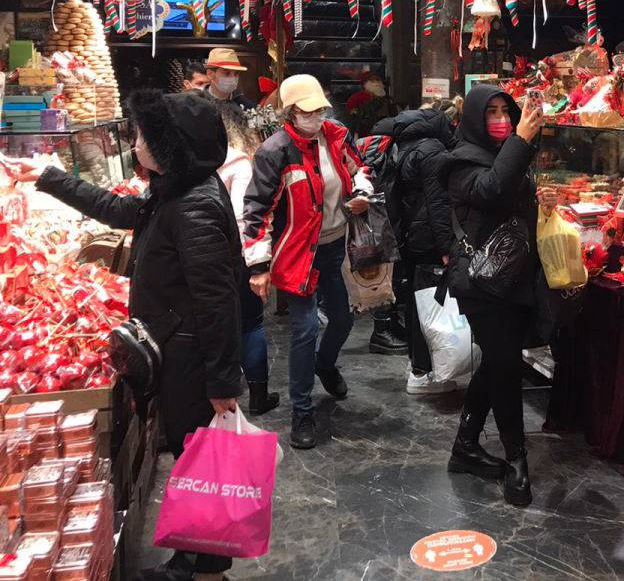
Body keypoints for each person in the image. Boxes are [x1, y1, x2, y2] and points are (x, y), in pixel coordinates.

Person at [14, 91, 243, 581]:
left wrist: (222, 382)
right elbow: (122, 214)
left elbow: (218, 300)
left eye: (143, 136)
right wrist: (48, 178)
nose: (135, 143)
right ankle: (196, 558)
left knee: (197, 458)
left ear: (169, 146)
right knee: (191, 456)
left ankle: (205, 570)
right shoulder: (176, 190)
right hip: (177, 345)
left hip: (190, 356)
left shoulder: (193, 205)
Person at [242, 74, 372, 449]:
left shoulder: (335, 137)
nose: (316, 117)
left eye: (320, 110)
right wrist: (258, 266)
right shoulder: (276, 151)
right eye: (307, 112)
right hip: (300, 253)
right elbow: (257, 212)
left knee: (344, 318)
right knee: (303, 330)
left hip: (335, 245)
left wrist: (360, 192)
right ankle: (301, 411)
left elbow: (358, 169)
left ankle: (325, 365)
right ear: (290, 112)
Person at [444, 84, 544, 507]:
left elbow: (515, 201)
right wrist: (521, 140)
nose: (501, 119)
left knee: (499, 359)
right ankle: (516, 458)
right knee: (505, 367)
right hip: (483, 284)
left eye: (507, 110)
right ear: (473, 118)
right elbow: (491, 189)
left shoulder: (511, 154)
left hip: (517, 277)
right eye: (492, 112)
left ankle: (466, 444)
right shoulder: (459, 161)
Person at [370, 98, 458, 393]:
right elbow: (437, 203)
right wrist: (446, 246)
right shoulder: (433, 150)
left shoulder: (406, 143)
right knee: (428, 303)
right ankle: (423, 373)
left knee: (416, 301)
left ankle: (418, 367)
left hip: (409, 232)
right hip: (427, 237)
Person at [214, 102, 280, 416]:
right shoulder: (238, 162)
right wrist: (257, 264)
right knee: (251, 324)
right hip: (235, 255)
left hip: (202, 258)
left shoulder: (189, 163)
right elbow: (246, 218)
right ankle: (258, 394)